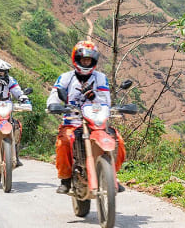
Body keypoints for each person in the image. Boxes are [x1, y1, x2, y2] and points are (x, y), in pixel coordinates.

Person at [46, 41, 126, 194]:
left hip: (96, 123)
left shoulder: (100, 78)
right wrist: (54, 105)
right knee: (63, 142)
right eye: (83, 60)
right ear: (76, 59)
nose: (86, 62)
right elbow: (55, 96)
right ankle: (66, 179)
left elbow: (106, 101)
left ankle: (112, 175)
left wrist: (94, 96)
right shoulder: (66, 78)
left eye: (89, 60)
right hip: (73, 122)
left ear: (93, 61)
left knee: (118, 141)